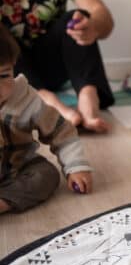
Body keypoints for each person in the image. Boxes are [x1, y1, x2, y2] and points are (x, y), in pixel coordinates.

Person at [0, 0, 115, 133]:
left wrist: (92, 26)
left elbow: (103, 17)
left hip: (53, 65)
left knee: (77, 17)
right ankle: (51, 104)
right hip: (9, 73)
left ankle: (88, 98)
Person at [0, 23, 92, 214]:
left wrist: (75, 166)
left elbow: (62, 133)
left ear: (14, 66)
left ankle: (6, 201)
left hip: (19, 169)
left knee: (47, 174)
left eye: (3, 75)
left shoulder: (26, 98)